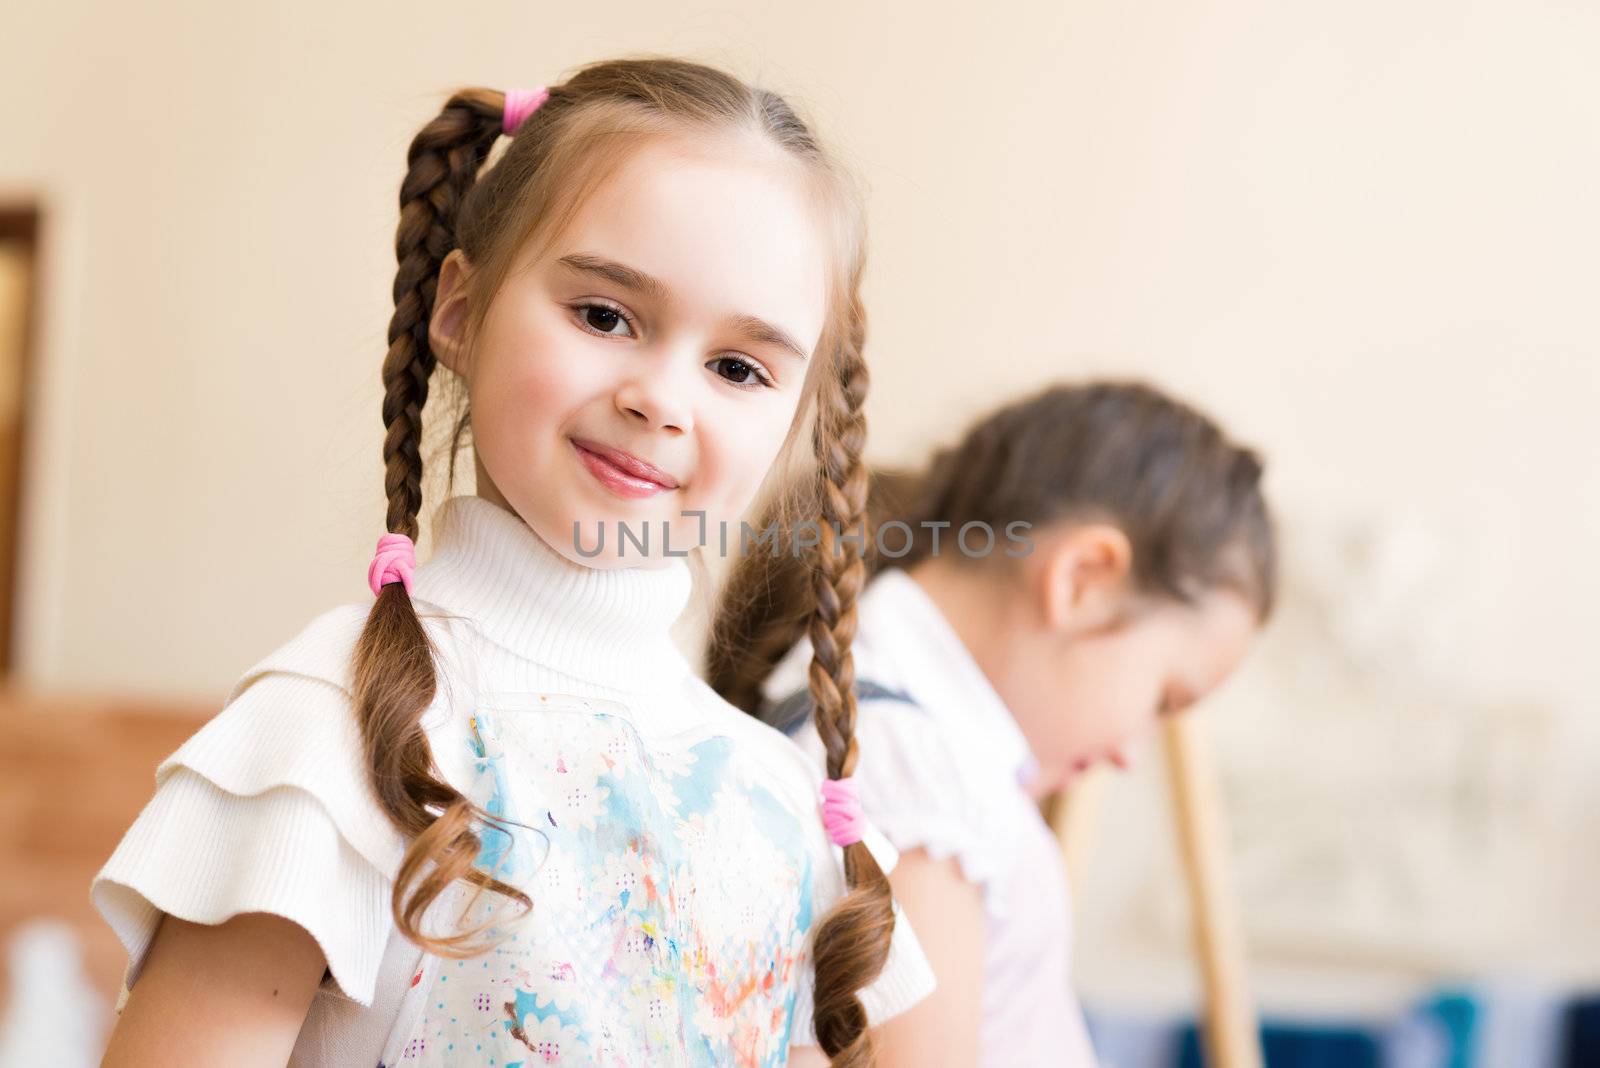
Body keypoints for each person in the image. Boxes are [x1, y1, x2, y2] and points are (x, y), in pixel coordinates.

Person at [92, 58, 933, 1068]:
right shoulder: (324, 736)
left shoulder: (777, 805)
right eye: (603, 315)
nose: (662, 397)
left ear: (794, 420)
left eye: (737, 368)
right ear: (459, 311)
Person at [708, 380, 1278, 1067]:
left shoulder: (882, 735)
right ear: (1083, 580)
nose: (1133, 753)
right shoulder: (918, 785)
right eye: (1164, 697)